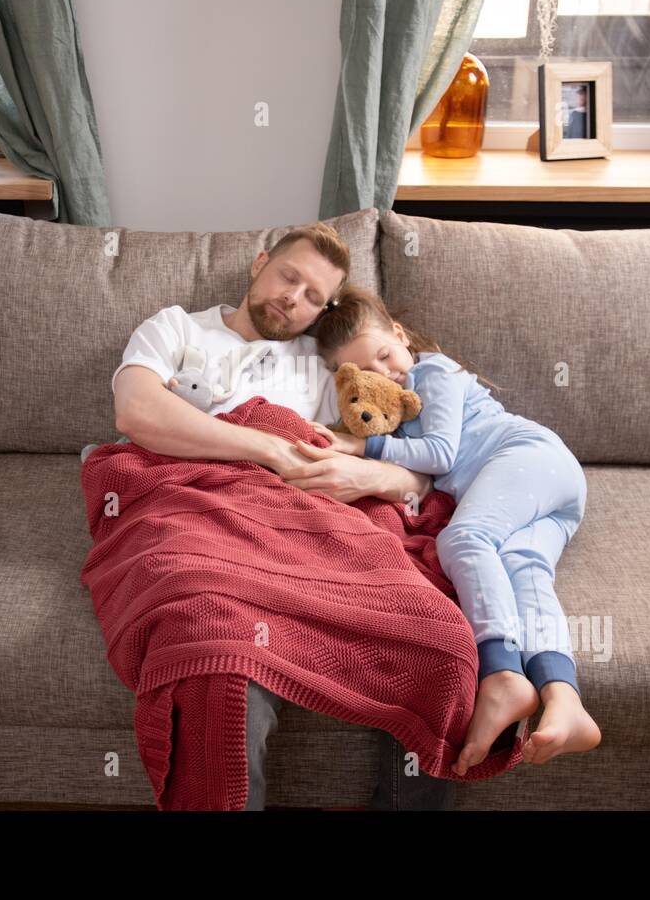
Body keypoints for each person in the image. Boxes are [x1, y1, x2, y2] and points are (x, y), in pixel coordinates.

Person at [110, 222, 456, 809]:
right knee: (216, 659)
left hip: (301, 520)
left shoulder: (329, 368)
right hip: (197, 508)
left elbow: (415, 463)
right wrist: (266, 447)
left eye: (314, 297)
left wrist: (371, 475)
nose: (294, 298)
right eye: (288, 277)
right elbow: (138, 413)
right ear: (259, 264)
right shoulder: (175, 327)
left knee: (442, 642)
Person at [308, 284, 602, 773]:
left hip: (529, 458)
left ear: (401, 336)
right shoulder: (393, 414)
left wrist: (366, 450)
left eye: (385, 354)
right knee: (521, 569)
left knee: (463, 540)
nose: (385, 373)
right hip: (549, 494)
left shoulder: (433, 372)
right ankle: (563, 696)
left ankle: (503, 673)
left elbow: (442, 452)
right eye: (367, 371)